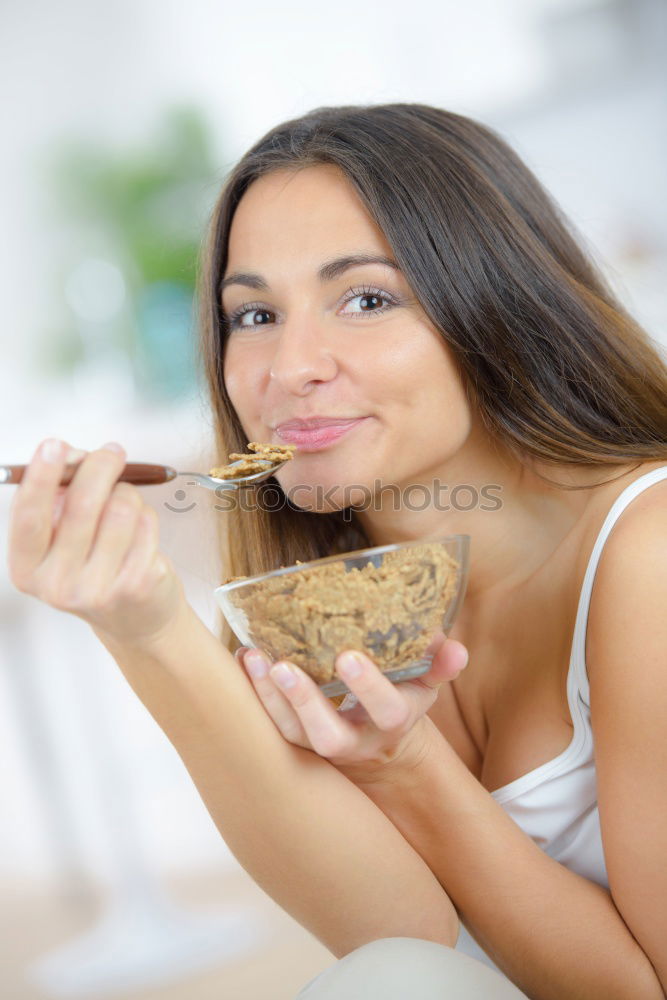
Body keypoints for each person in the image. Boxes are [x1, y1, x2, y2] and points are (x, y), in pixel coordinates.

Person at [7, 104, 667, 999]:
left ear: (498, 299)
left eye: (365, 298)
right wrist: (145, 624)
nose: (290, 366)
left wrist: (406, 767)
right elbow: (409, 943)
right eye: (253, 315)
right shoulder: (324, 603)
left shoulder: (647, 551)